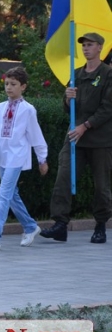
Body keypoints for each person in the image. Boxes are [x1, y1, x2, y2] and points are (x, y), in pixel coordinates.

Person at [40, 32, 112, 244]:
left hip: (100, 140)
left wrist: (86, 126)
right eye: (83, 45)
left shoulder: (108, 74)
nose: (86, 49)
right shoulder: (76, 74)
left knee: (102, 185)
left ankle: (100, 225)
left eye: (90, 45)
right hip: (75, 138)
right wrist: (67, 99)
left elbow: (108, 108)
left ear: (100, 47)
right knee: (63, 178)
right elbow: (68, 108)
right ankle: (60, 224)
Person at [0, 66, 48, 250]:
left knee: (4, 194)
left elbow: (35, 135)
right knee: (11, 196)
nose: (9, 87)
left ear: (23, 86)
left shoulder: (28, 110)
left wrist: (42, 158)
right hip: (2, 157)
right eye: (7, 83)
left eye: (13, 84)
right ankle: (30, 227)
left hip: (17, 157)